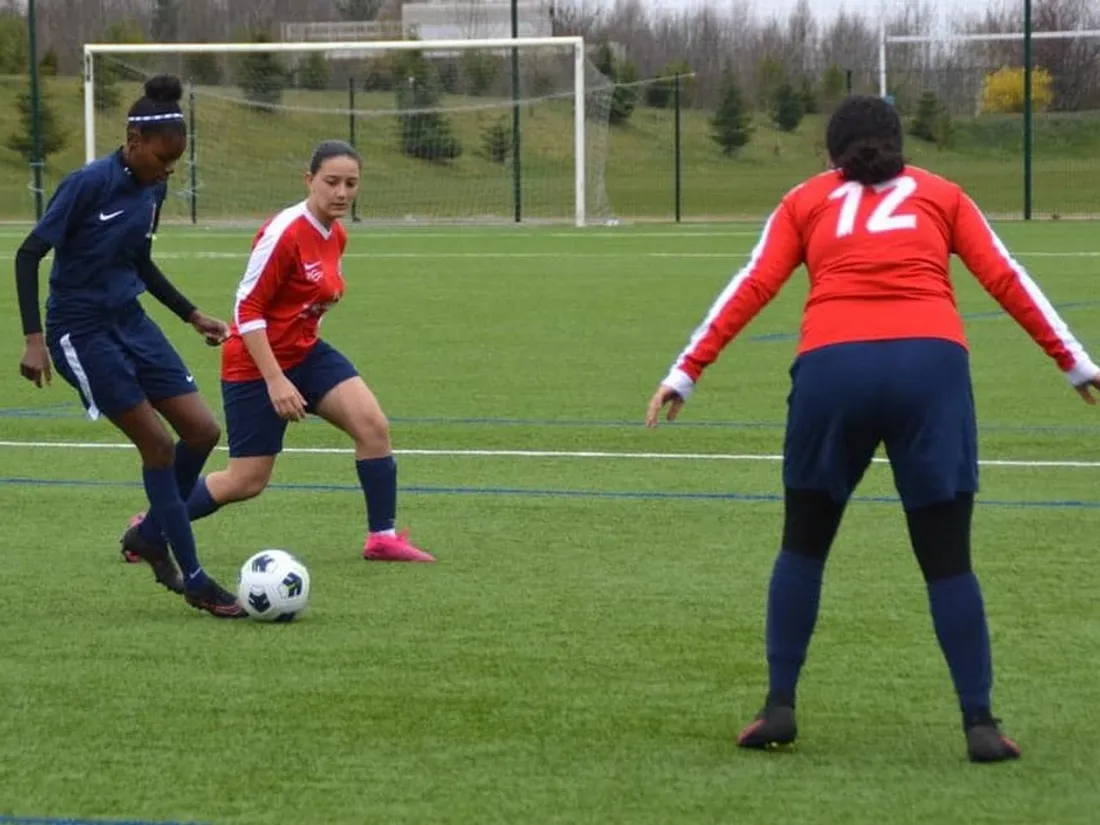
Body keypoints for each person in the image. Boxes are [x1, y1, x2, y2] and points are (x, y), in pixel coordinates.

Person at [645, 95, 1100, 763]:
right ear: (900, 147)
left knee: (803, 542)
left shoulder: (806, 200)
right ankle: (980, 722)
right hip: (932, 369)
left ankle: (778, 707)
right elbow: (1006, 276)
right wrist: (1076, 363)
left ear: (831, 156)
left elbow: (754, 283)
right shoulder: (942, 194)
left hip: (834, 369)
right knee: (948, 557)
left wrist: (687, 369)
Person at [123, 139, 435, 564]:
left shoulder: (335, 233)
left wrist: (303, 355)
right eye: (331, 182)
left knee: (372, 426)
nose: (341, 193)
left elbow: (309, 302)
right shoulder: (283, 233)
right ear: (309, 181)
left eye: (350, 183)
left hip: (304, 352)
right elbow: (246, 309)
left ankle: (381, 538)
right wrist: (275, 379)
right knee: (246, 481)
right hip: (256, 363)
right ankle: (151, 528)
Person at [15, 74, 246, 618]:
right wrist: (33, 340)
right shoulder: (86, 184)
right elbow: (28, 255)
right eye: (162, 158)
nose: (168, 170)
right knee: (159, 447)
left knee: (203, 431)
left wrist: (191, 315)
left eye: (175, 162)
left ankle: (148, 534)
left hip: (131, 319)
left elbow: (138, 260)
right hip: (81, 329)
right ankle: (192, 577)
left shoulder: (154, 188)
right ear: (134, 140)